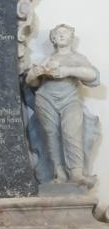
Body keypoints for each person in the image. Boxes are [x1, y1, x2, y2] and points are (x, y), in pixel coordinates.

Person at [25, 24, 100, 187]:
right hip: (46, 100)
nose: (61, 35)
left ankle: (77, 173)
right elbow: (32, 82)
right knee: (51, 134)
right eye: (57, 34)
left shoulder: (76, 58)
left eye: (64, 33)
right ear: (53, 39)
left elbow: (93, 76)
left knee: (71, 131)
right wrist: (34, 74)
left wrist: (68, 71)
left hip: (70, 100)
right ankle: (59, 173)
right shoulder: (47, 59)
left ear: (71, 38)